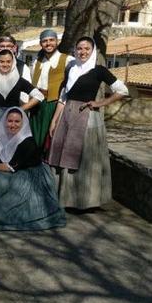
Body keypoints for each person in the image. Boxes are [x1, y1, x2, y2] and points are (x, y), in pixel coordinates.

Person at [48, 36, 129, 211]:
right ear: (75, 50)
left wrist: (99, 103)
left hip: (86, 116)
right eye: (79, 48)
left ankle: (83, 201)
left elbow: (122, 90)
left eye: (86, 49)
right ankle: (64, 198)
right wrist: (54, 121)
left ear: (93, 51)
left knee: (83, 157)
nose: (82, 52)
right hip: (67, 115)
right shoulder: (71, 68)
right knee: (64, 154)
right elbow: (63, 96)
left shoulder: (99, 70)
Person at [0, 108, 66, 231]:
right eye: (10, 121)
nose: (13, 125)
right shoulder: (2, 137)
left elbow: (11, 167)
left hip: (30, 176)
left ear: (23, 123)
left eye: (17, 122)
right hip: (11, 171)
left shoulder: (27, 141)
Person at [29, 29, 71, 148]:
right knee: (34, 136)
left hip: (53, 103)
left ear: (57, 41)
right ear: (41, 43)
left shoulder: (67, 60)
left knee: (49, 138)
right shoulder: (36, 61)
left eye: (51, 40)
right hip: (36, 104)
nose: (48, 43)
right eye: (45, 41)